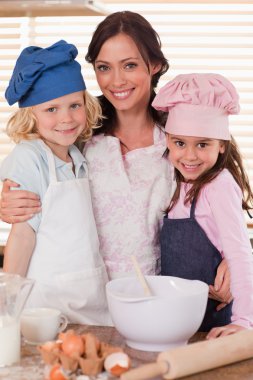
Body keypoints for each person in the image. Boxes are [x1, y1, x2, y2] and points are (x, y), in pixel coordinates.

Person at [0, 12, 231, 307]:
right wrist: (10, 201)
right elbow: (34, 176)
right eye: (104, 67)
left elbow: (226, 200)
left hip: (156, 300)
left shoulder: (182, 137)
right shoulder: (77, 134)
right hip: (81, 304)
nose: (117, 80)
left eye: (130, 65)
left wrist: (235, 259)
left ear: (155, 65)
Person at [0, 40, 111, 326]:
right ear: (31, 115)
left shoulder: (78, 154)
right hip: (45, 308)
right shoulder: (30, 157)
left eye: (75, 105)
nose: (66, 118)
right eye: (51, 109)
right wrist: (7, 309)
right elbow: (22, 236)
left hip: (92, 302)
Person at [152, 73, 253, 337]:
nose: (190, 156)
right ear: (168, 140)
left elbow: (240, 253)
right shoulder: (174, 180)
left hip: (218, 319)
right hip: (183, 319)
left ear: (221, 146)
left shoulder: (219, 185)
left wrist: (243, 321)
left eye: (202, 144)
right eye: (180, 143)